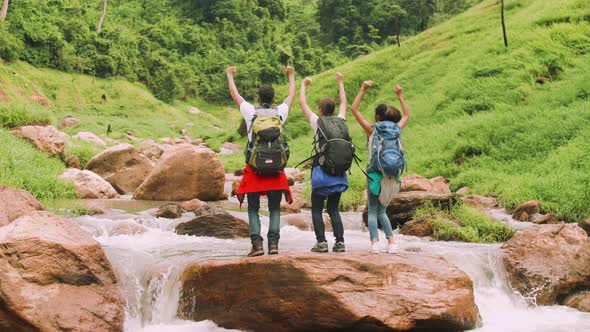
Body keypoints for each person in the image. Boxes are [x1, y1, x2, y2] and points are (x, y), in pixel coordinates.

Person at [226, 65, 296, 257]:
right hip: (275, 169)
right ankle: (273, 245)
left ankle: (257, 245)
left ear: (258, 99)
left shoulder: (251, 112)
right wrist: (291, 75)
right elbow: (291, 97)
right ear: (273, 99)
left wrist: (229, 75)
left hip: (255, 168)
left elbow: (235, 95)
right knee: (274, 208)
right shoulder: (280, 112)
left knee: (253, 208)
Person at [350, 80, 410, 254]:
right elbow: (407, 115)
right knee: (383, 211)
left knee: (372, 211)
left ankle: (375, 243)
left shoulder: (372, 129)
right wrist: (400, 95)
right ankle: (392, 243)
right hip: (392, 177)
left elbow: (354, 109)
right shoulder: (397, 129)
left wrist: (363, 88)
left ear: (377, 117)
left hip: (374, 175)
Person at [299, 72, 351, 253]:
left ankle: (321, 242)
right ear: (333, 109)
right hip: (338, 173)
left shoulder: (317, 121)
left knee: (316, 209)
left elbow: (303, 104)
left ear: (320, 109)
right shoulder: (341, 120)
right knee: (333, 209)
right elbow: (344, 103)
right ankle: (340, 242)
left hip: (322, 174)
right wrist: (340, 82)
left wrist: (303, 85)